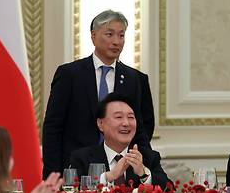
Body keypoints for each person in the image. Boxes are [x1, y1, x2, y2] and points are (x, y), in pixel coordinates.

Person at [42, 9, 155, 178]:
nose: (116, 41)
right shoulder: (70, 74)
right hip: (75, 169)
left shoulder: (135, 79)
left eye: (121, 35)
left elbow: (143, 128)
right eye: (109, 34)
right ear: (93, 36)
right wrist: (52, 175)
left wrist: (145, 167)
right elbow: (53, 127)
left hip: (122, 171)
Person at [67, 93, 170, 188]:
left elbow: (170, 190)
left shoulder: (148, 157)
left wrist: (144, 174)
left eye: (131, 117)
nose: (126, 123)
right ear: (100, 124)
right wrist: (108, 177)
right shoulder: (81, 158)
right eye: (119, 117)